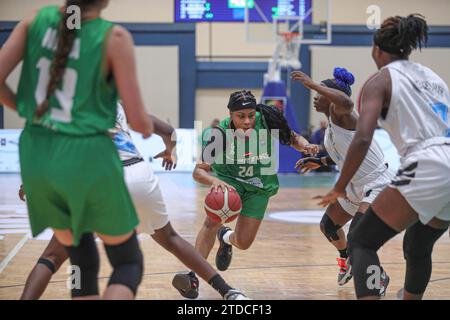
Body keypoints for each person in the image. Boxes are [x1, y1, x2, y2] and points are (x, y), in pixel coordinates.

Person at [0, 0, 154, 299]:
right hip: (88, 158)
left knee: (81, 259)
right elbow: (139, 122)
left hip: (37, 156)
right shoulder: (115, 37)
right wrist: (151, 126)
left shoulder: (34, 21)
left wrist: (24, 107)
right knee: (128, 261)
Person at [19, 102, 249, 300]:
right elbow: (169, 131)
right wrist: (169, 151)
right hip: (138, 175)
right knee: (170, 239)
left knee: (54, 257)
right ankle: (228, 291)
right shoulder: (115, 103)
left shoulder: (60, 107)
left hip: (95, 179)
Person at [316, 14, 450, 300]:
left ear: (377, 49)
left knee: (362, 240)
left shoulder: (379, 80)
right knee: (417, 245)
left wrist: (340, 186)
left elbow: (364, 137)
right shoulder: (433, 77)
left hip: (425, 163)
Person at [172, 90, 319, 298]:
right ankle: (193, 275)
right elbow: (198, 171)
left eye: (251, 115)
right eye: (241, 116)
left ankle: (226, 237)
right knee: (211, 223)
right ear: (231, 115)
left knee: (244, 242)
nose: (248, 121)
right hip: (229, 183)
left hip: (259, 186)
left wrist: (306, 146)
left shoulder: (267, 120)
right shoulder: (219, 134)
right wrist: (215, 181)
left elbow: (291, 138)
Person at [291, 68, 394, 292]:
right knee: (328, 225)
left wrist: (313, 84)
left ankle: (379, 279)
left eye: (321, 94)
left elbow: (346, 102)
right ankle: (347, 260)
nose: (316, 98)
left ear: (332, 98)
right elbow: (344, 155)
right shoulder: (330, 126)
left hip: (376, 182)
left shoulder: (347, 116)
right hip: (355, 185)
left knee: (358, 236)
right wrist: (320, 162)